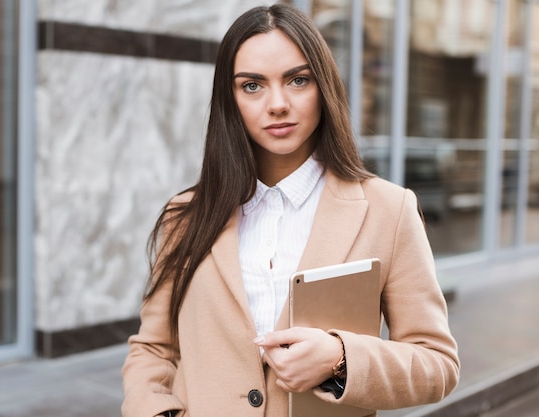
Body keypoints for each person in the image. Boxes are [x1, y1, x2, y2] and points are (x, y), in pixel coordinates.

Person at [121, 4, 460, 417]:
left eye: (298, 80)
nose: (277, 104)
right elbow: (153, 349)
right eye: (252, 86)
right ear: (230, 99)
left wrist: (340, 358)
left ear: (324, 88)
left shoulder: (388, 210)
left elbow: (437, 364)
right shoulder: (186, 215)